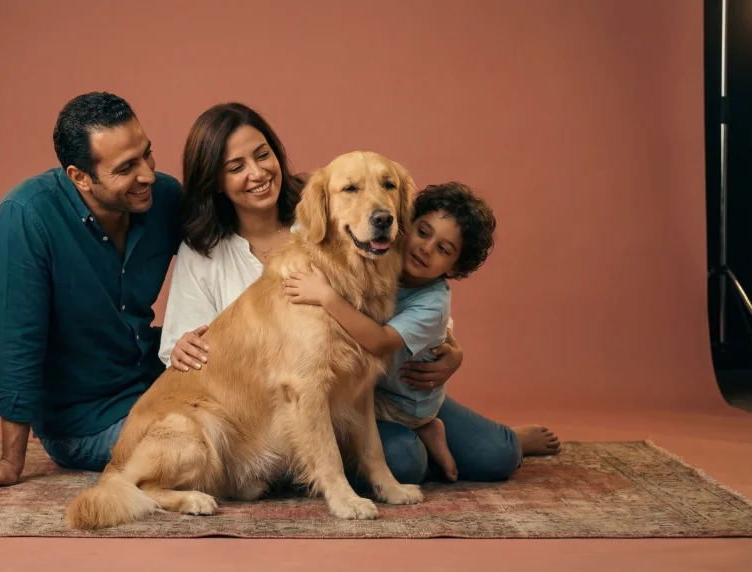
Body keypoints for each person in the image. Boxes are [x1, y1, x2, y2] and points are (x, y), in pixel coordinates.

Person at [162, 102, 560, 485]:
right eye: (236, 167)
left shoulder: (331, 210)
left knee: (498, 454)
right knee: (406, 461)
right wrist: (181, 347)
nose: (257, 172)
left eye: (262, 155)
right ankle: (411, 442)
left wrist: (451, 348)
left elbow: (403, 286)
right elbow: (187, 350)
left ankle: (493, 435)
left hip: (379, 383)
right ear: (215, 181)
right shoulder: (204, 254)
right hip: (288, 407)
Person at [0, 91, 183, 490]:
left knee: (260, 425)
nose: (148, 174)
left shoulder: (162, 198)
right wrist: (11, 461)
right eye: (127, 167)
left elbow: (235, 231)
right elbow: (18, 340)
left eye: (147, 154)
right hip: (85, 420)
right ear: (80, 176)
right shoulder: (25, 218)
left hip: (159, 381)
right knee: (205, 449)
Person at [283, 181, 500, 483]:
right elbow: (314, 224)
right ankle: (429, 434)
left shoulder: (433, 303)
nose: (425, 249)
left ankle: (434, 428)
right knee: (407, 461)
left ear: (454, 266)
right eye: (422, 232)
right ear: (407, 224)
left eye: (443, 249)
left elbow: (380, 342)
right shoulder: (379, 250)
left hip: (401, 401)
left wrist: (326, 297)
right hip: (372, 387)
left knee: (498, 455)